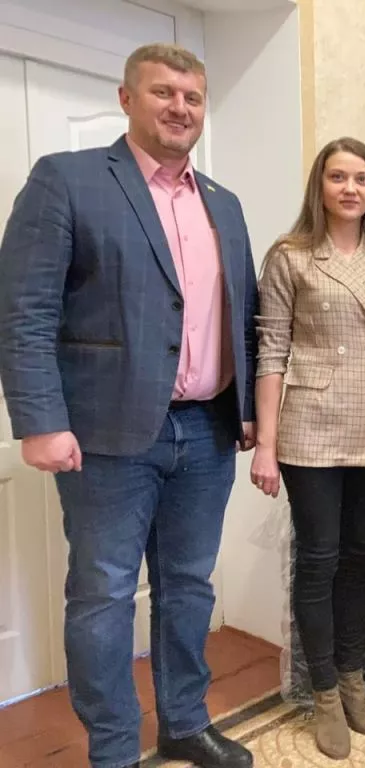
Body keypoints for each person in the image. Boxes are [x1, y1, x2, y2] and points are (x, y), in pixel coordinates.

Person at [0, 44, 258, 768]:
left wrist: (246, 408)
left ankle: (184, 722)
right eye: (163, 92)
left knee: (188, 586)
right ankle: (113, 748)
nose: (180, 107)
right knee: (105, 593)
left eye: (193, 97)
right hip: (105, 436)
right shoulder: (67, 180)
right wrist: (41, 421)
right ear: (126, 98)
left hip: (207, 432)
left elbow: (242, 314)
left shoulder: (224, 203)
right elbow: (24, 311)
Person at [249, 137, 365, 760]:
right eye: (338, 177)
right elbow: (271, 351)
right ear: (320, 185)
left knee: (361, 556)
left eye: (362, 179)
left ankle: (352, 679)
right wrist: (266, 446)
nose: (350, 188)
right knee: (319, 558)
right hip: (310, 426)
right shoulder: (290, 257)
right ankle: (322, 694)